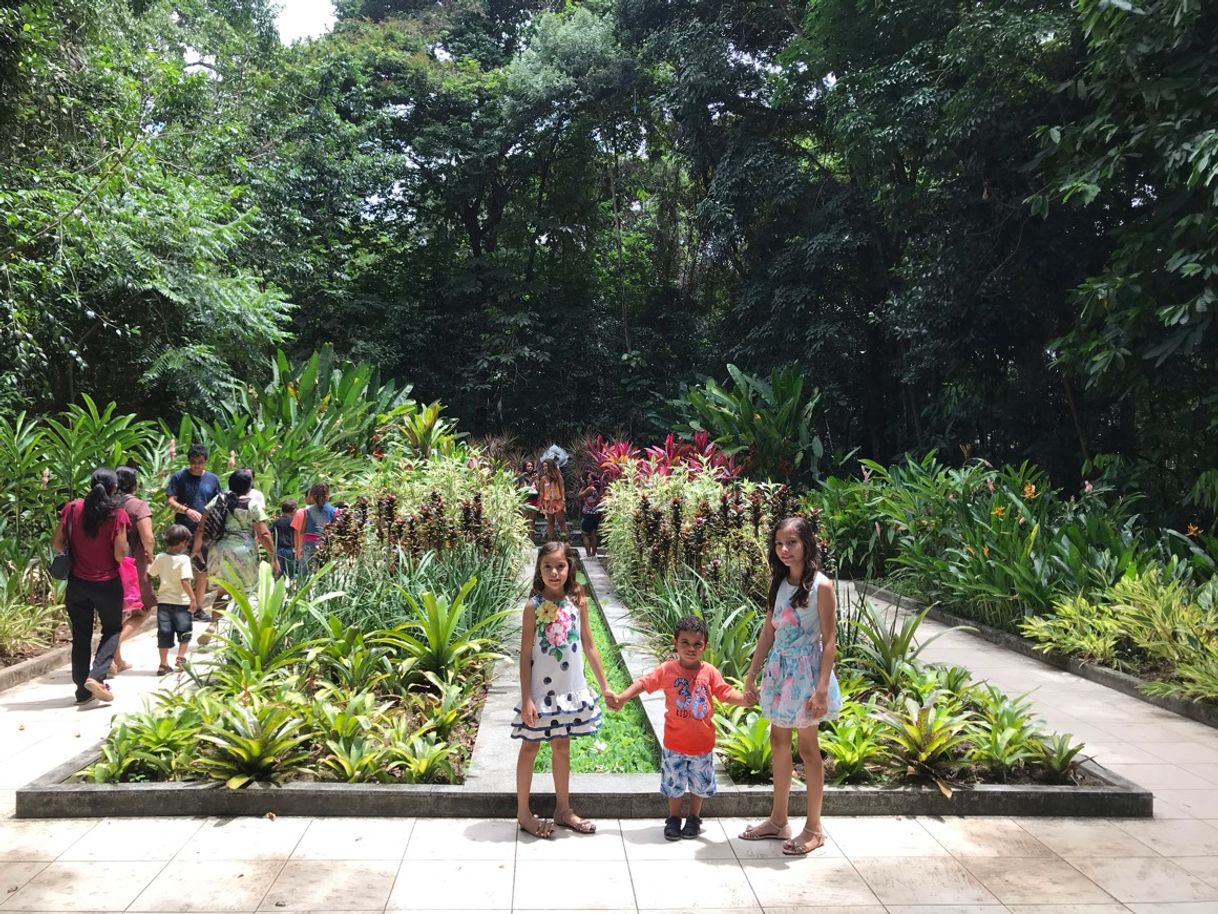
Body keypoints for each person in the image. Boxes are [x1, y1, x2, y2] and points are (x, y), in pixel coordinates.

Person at [739, 516, 842, 855]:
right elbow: (769, 630)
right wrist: (752, 673)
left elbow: (830, 642)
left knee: (808, 749)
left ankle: (814, 828)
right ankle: (779, 820)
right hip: (780, 673)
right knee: (778, 740)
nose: (784, 550)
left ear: (807, 544)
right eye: (779, 544)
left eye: (792, 543)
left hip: (806, 676)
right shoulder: (780, 582)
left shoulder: (821, 587)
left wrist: (822, 689)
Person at [607, 615, 749, 840]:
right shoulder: (667, 670)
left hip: (702, 745)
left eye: (697, 644)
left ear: (705, 646)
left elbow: (725, 692)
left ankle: (694, 817)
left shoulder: (709, 672)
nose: (691, 648)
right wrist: (623, 697)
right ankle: (673, 818)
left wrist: (744, 699)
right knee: (674, 785)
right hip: (675, 743)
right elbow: (644, 683)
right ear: (675, 642)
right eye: (685, 643)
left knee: (699, 786)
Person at [511, 543, 610, 838]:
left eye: (560, 566)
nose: (554, 573)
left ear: (569, 568)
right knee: (530, 746)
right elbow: (525, 655)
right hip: (541, 693)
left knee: (561, 746)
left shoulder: (578, 602)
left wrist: (604, 686)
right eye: (547, 567)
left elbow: (590, 646)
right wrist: (527, 697)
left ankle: (563, 809)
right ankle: (523, 813)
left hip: (569, 692)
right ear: (539, 570)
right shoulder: (532, 607)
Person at [50, 468, 130, 704]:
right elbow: (118, 555)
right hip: (107, 584)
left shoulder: (72, 508)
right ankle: (96, 676)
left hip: (77, 583)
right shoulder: (117, 514)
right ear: (114, 488)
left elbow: (56, 543)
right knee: (112, 629)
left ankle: (82, 692)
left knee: (81, 635)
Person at [191, 469, 278, 643]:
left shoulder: (218, 500)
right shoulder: (252, 505)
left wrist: (196, 549)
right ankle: (242, 632)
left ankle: (213, 623)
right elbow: (264, 534)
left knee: (223, 591)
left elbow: (202, 526)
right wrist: (273, 557)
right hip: (243, 552)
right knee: (244, 593)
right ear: (249, 486)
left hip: (219, 550)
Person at [166, 443, 221, 617]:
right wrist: (186, 510)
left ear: (205, 461)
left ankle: (198, 608)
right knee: (179, 569)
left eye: (200, 462)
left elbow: (219, 502)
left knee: (201, 570)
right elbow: (171, 501)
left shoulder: (213, 479)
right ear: (189, 461)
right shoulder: (179, 477)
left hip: (205, 531)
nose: (197, 465)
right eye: (194, 461)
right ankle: (179, 606)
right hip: (182, 530)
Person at [111, 466, 156, 674]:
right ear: (135, 485)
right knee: (144, 607)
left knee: (115, 611)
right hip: (133, 566)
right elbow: (148, 537)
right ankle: (110, 649)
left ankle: (115, 659)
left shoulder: (106, 503)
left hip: (107, 565)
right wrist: (150, 555)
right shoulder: (137, 505)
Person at [148, 525, 198, 674]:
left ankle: (163, 664)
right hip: (182, 603)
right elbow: (185, 581)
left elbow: (150, 574)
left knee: (164, 632)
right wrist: (193, 598)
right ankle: (180, 658)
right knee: (184, 632)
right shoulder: (184, 560)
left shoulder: (161, 557)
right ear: (182, 542)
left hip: (164, 602)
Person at [292, 482, 337, 573]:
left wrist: (298, 549)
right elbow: (334, 531)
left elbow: (302, 531)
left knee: (303, 573)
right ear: (328, 495)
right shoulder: (335, 512)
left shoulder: (306, 511)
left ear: (312, 495)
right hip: (325, 544)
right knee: (323, 573)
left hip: (308, 543)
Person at [537, 459, 568, 542]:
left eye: (546, 466)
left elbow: (562, 488)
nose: (544, 468)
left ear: (550, 466)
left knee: (561, 521)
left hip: (557, 501)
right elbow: (541, 492)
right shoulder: (543, 479)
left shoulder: (558, 477)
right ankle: (550, 541)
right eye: (543, 466)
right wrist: (540, 504)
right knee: (550, 522)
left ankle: (565, 541)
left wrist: (563, 499)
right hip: (547, 502)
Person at [577, 472, 603, 558]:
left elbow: (580, 496)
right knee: (593, 533)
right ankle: (593, 553)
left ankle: (588, 554)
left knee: (584, 534)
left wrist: (583, 486)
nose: (587, 480)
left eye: (588, 478)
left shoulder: (590, 489)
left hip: (589, 514)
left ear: (593, 480)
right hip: (596, 514)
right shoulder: (596, 489)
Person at [270, 499, 297, 578]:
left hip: (278, 549)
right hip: (289, 549)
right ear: (293, 510)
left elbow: (269, 531)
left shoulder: (277, 521)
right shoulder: (293, 521)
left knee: (279, 572)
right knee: (290, 573)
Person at [516, 459, 540, 525]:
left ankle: (532, 535)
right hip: (526, 500)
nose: (530, 468)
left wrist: (537, 480)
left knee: (532, 522)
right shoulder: (522, 476)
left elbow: (538, 489)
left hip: (534, 499)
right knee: (524, 521)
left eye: (531, 466)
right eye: (528, 466)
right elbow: (524, 489)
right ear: (525, 467)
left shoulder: (534, 476)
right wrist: (531, 481)